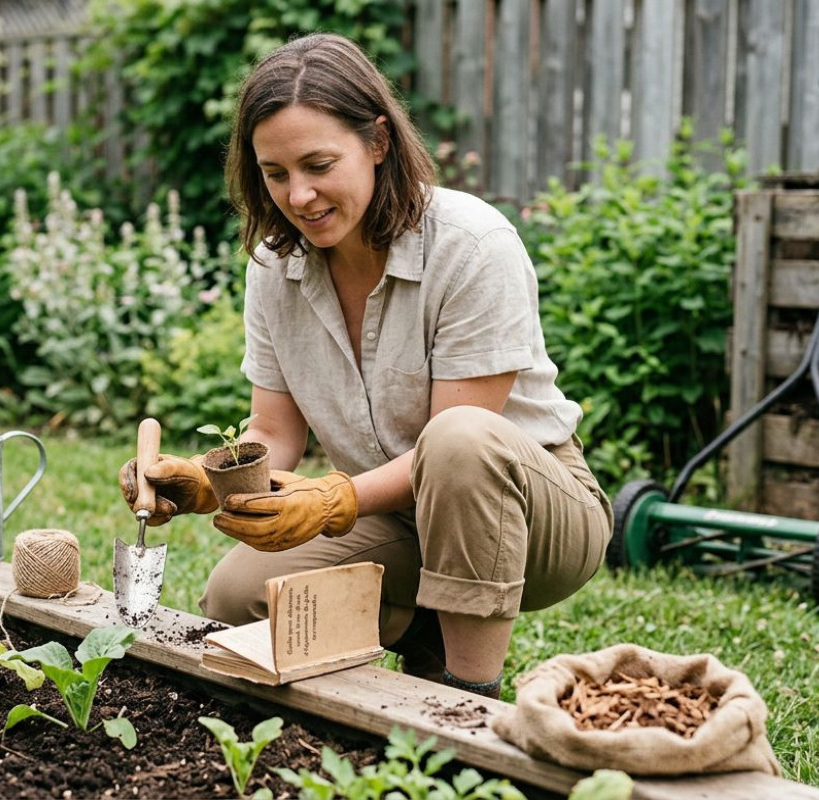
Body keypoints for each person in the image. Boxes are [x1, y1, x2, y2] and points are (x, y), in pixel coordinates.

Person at [118, 32, 611, 700]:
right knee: (235, 598)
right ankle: (419, 629)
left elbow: (457, 444)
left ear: (378, 143)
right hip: (396, 519)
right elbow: (274, 427)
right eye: (275, 173)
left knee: (459, 439)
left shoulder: (471, 245)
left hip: (532, 518)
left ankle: (468, 706)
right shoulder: (275, 268)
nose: (299, 196)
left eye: (319, 164)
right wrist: (209, 483)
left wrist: (335, 498)